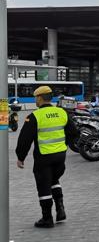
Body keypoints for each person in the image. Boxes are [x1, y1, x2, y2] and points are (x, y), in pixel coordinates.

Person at [15, 86, 79, 228]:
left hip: (44, 157)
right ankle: (60, 209)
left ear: (39, 97)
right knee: (54, 180)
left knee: (44, 185)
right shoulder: (61, 112)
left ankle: (47, 218)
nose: (35, 100)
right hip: (60, 156)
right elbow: (74, 132)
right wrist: (64, 145)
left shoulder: (35, 116)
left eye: (35, 97)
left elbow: (24, 139)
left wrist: (20, 157)